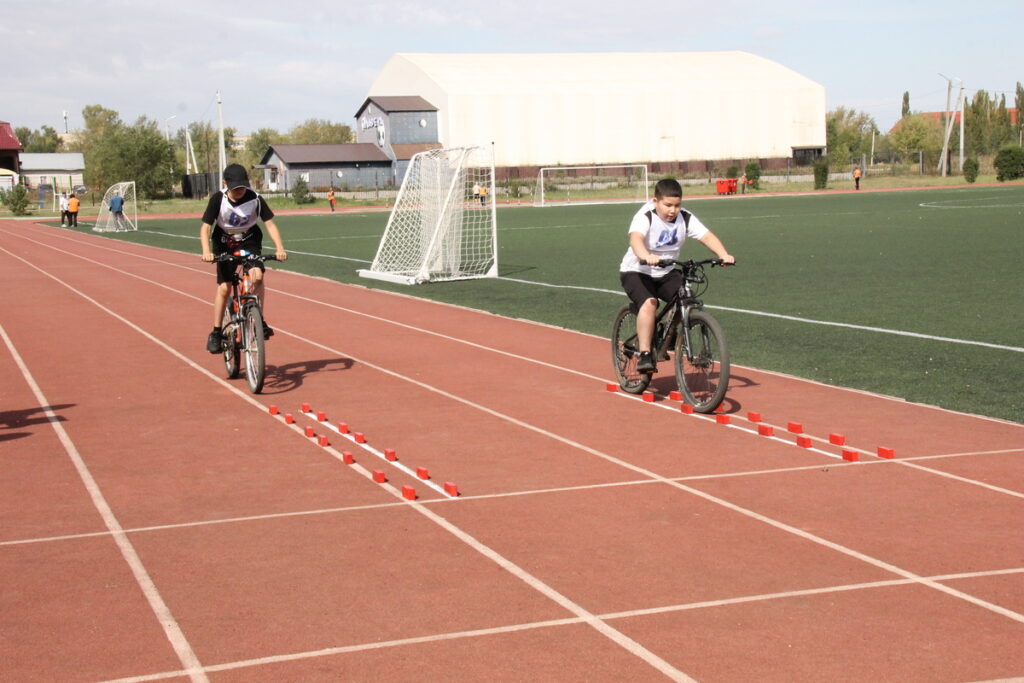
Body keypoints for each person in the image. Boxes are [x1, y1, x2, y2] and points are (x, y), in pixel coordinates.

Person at [619, 178, 734, 373]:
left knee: (687, 301)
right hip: (637, 270)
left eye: (677, 205)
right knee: (650, 303)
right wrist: (646, 256)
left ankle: (667, 333)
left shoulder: (685, 217)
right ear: (656, 201)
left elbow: (706, 236)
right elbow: (636, 239)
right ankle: (645, 354)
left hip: (665, 271)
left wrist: (723, 254)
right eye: (668, 205)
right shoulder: (645, 216)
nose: (673, 210)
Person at [200, 164, 287, 354]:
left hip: (249, 240)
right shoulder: (218, 199)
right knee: (225, 288)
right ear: (225, 184)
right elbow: (206, 227)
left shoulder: (255, 198)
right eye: (235, 187)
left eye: (242, 186)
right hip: (224, 241)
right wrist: (206, 251)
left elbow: (270, 224)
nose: (239, 190)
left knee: (258, 276)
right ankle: (216, 332)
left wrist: (280, 248)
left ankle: (258, 318)